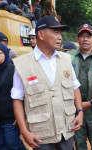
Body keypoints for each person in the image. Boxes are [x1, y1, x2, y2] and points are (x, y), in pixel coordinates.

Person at [11, 15, 83, 150]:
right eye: (55, 32)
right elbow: (17, 99)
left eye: (60, 33)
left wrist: (80, 111)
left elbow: (75, 87)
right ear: (41, 34)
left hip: (66, 128)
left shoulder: (66, 60)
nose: (60, 37)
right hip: (41, 133)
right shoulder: (22, 64)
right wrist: (24, 131)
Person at [67, 24, 92, 150]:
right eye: (82, 36)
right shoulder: (67, 57)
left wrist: (90, 102)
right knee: (79, 144)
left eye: (88, 37)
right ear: (77, 40)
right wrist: (78, 106)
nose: (85, 39)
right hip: (73, 110)